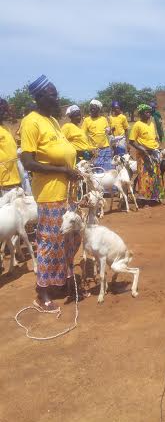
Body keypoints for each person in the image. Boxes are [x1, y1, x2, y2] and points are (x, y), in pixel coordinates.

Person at [20, 75, 82, 312]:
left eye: (56, 93)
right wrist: (62, 170)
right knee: (49, 241)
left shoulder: (53, 121)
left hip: (66, 192)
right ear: (38, 97)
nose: (57, 98)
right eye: (52, 94)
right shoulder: (31, 121)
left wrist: (71, 170)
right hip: (49, 194)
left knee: (71, 237)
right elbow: (27, 162)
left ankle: (62, 278)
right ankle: (43, 291)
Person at [129, 104, 164, 205]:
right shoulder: (137, 125)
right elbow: (131, 141)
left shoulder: (152, 124)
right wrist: (143, 150)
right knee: (145, 175)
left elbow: (154, 138)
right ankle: (144, 199)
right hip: (143, 155)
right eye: (146, 112)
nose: (149, 114)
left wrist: (157, 147)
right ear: (140, 114)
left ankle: (155, 197)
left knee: (155, 174)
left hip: (154, 152)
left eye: (149, 112)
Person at [82, 99, 112, 170]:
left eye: (94, 108)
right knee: (97, 170)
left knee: (107, 169)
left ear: (98, 109)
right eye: (91, 108)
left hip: (106, 148)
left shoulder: (103, 119)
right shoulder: (86, 120)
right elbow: (83, 134)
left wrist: (109, 130)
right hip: (95, 150)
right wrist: (89, 148)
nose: (92, 110)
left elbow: (108, 131)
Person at [0, 98, 21, 192]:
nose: (5, 112)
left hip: (14, 178)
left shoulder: (5, 128)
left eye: (5, 109)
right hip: (3, 181)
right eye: (2, 109)